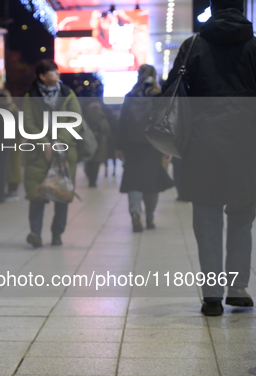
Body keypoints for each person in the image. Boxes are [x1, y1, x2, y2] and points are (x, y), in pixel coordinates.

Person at [162, 0, 256, 316]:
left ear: (212, 9)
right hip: (247, 144)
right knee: (242, 217)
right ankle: (239, 287)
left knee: (207, 218)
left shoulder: (193, 46)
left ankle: (212, 296)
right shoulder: (254, 46)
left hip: (201, 145)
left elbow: (170, 93)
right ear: (243, 9)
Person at [23, 60, 82, 247]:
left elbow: (76, 119)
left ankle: (57, 234)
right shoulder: (31, 95)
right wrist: (44, 143)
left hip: (64, 152)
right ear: (42, 76)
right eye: (53, 71)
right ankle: (35, 233)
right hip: (38, 154)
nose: (58, 73)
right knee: (36, 194)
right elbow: (28, 123)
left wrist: (60, 141)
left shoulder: (67, 93)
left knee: (62, 194)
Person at [116, 64, 174, 232]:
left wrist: (119, 147)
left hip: (132, 146)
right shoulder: (160, 96)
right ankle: (150, 217)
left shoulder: (130, 96)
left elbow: (121, 124)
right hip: (154, 146)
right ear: (154, 76)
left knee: (134, 182)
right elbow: (166, 123)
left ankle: (135, 214)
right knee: (152, 182)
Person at [83, 100, 111, 188]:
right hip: (100, 143)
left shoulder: (86, 117)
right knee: (96, 163)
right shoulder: (102, 117)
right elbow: (107, 131)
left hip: (88, 142)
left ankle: (89, 176)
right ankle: (93, 181)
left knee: (88, 161)